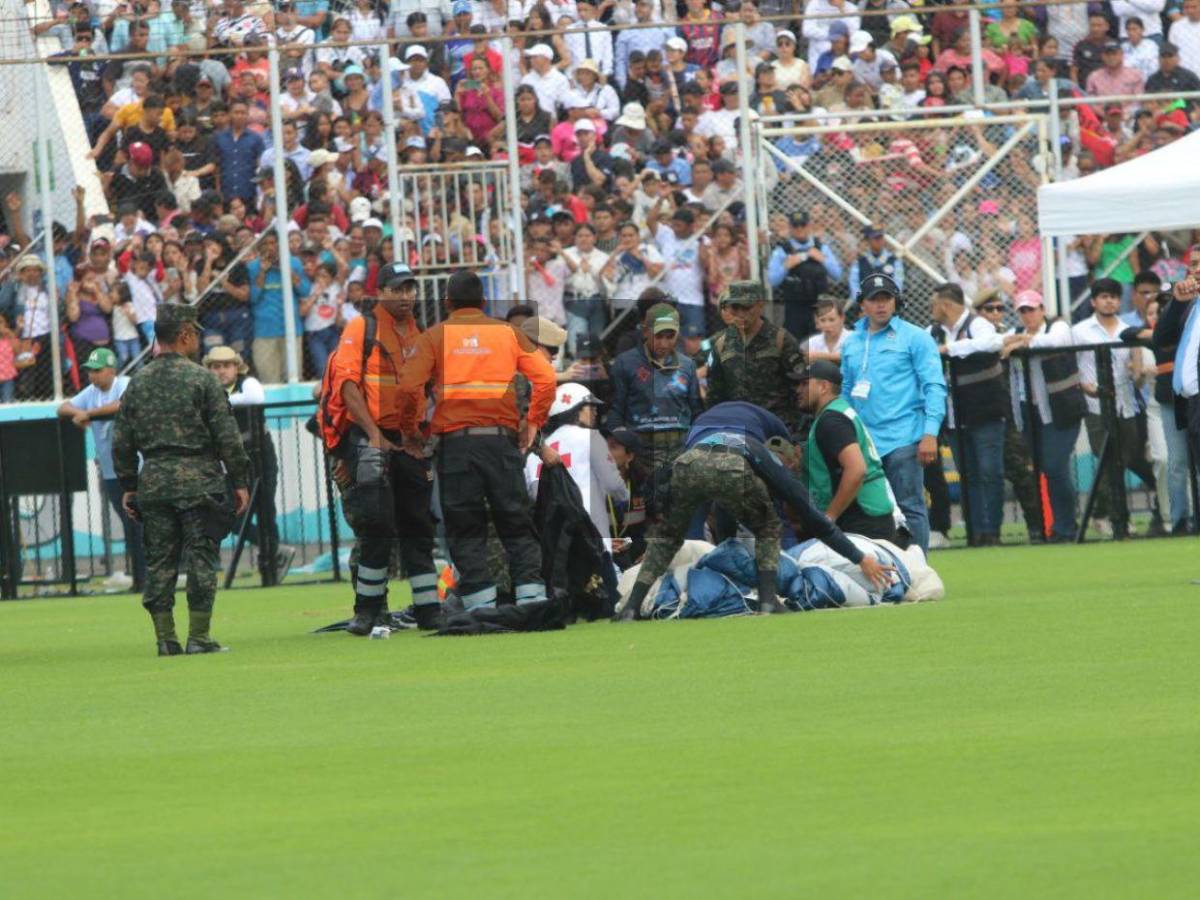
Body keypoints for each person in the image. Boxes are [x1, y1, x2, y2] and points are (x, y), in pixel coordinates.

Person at [615, 399, 893, 621]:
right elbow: (811, 515)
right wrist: (859, 558)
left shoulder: (703, 430)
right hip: (735, 461)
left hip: (687, 462)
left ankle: (632, 607)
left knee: (669, 538)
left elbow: (719, 502)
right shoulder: (758, 447)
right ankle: (768, 601)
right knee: (768, 526)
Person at [395, 271, 557, 612]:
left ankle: (479, 607)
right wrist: (532, 423)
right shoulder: (508, 333)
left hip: (456, 447)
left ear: (447, 303)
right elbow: (545, 377)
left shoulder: (433, 336)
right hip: (501, 442)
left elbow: (409, 388)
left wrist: (411, 432)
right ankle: (532, 600)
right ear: (483, 302)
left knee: (465, 524)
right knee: (515, 519)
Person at [112, 304, 251, 656]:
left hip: (154, 482)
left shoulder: (136, 383)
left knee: (159, 562)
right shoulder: (203, 380)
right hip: (199, 480)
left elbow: (122, 441)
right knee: (202, 558)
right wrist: (238, 479)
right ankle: (199, 636)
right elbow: (227, 437)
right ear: (185, 334)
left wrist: (130, 485)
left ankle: (165, 638)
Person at [322, 263, 441, 633]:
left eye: (410, 289)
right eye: (397, 289)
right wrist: (373, 435)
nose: (405, 296)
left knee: (418, 524)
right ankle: (368, 610)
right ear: (380, 292)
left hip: (405, 439)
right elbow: (347, 386)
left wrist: (421, 438)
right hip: (370, 434)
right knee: (378, 525)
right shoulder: (362, 327)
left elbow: (426, 390)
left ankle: (428, 610)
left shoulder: (418, 333)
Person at [840, 274, 946, 554]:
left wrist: (930, 433)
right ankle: (886, 570)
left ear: (896, 302)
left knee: (910, 505)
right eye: (873, 299)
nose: (880, 305)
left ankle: (918, 570)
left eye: (886, 298)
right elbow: (847, 390)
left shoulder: (916, 338)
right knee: (871, 510)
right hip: (865, 441)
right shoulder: (851, 342)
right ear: (862, 304)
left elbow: (934, 386)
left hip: (904, 437)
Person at [1072, 277, 1159, 538]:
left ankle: (1103, 514)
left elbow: (1137, 374)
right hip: (1096, 404)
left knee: (1125, 458)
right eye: (1103, 296)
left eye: (1113, 296)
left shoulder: (1126, 329)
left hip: (1127, 404)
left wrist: (1138, 372)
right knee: (1108, 458)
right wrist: (1083, 385)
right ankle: (1117, 517)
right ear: (1093, 301)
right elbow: (1071, 365)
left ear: (1119, 301)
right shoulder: (1081, 331)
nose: (1109, 301)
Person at [204, 345, 295, 582]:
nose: (221, 371)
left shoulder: (248, 383)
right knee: (228, 516)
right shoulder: (206, 390)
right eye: (215, 367)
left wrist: (220, 403)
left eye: (226, 366)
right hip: (231, 463)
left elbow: (255, 397)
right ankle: (274, 551)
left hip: (260, 458)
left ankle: (270, 567)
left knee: (266, 512)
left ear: (236, 367)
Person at [56, 348, 145, 589]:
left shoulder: (124, 384)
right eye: (89, 371)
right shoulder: (92, 393)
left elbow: (122, 405)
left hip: (137, 469)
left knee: (142, 522)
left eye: (97, 370)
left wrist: (88, 414)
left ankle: (148, 576)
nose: (92, 376)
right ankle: (141, 576)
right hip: (111, 471)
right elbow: (63, 408)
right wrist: (79, 414)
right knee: (130, 523)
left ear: (112, 369)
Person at [1003, 290, 1086, 543]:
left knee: (1055, 466)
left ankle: (1065, 526)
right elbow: (999, 345)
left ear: (1042, 309)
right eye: (1023, 311)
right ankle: (1053, 526)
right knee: (1044, 469)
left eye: (1032, 309)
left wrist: (1024, 343)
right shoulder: (1015, 333)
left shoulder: (1057, 326)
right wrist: (1018, 341)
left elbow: (1055, 341)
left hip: (1062, 410)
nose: (1028, 315)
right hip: (1031, 412)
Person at [930, 282, 1008, 546]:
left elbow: (994, 342)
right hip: (954, 416)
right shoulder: (934, 331)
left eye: (934, 304)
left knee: (989, 472)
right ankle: (977, 531)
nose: (932, 310)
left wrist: (951, 350)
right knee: (969, 476)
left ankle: (992, 530)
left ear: (946, 305)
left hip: (985, 412)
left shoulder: (977, 324)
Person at [798, 360, 897, 541]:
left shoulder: (831, 421)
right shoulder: (839, 412)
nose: (799, 390)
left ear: (823, 387)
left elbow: (857, 469)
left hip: (861, 518)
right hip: (870, 512)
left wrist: (829, 517)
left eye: (805, 383)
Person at [524, 382, 628, 548]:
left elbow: (534, 495)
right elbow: (613, 484)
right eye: (590, 406)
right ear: (574, 410)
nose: (595, 412)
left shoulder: (537, 452)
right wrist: (624, 497)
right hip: (592, 532)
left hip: (555, 540)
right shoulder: (591, 437)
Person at [606, 303, 704, 477]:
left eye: (670, 336)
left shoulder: (687, 365)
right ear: (645, 332)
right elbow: (615, 410)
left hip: (681, 453)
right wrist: (621, 450)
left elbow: (696, 410)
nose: (664, 343)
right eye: (658, 336)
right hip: (640, 455)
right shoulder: (625, 363)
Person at [705, 281, 806, 431]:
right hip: (738, 430)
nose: (740, 314)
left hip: (777, 429)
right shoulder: (721, 345)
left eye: (746, 307)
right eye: (735, 307)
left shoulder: (781, 340)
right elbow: (715, 395)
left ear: (760, 305)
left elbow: (801, 389)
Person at [767, 211, 841, 340]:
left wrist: (822, 259)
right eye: (796, 226)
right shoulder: (782, 251)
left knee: (820, 347)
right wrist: (786, 266)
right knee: (795, 348)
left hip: (820, 308)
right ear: (790, 227)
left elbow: (837, 275)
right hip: (795, 308)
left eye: (803, 225)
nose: (800, 229)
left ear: (809, 226)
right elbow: (772, 280)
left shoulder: (821, 248)